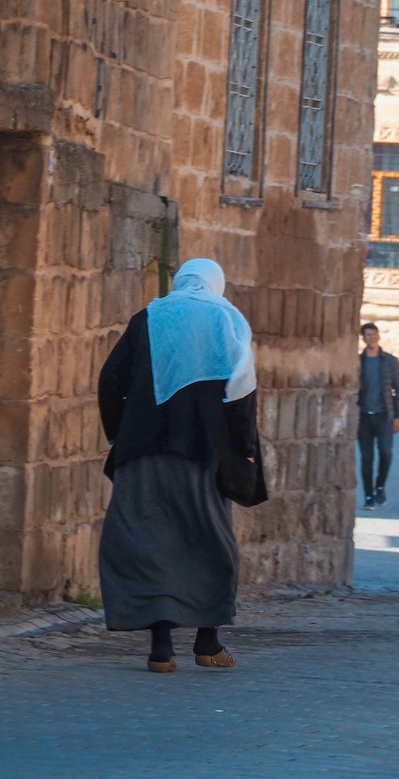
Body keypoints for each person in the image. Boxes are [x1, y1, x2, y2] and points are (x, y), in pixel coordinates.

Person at [97, 258, 266, 674]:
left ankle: (161, 649)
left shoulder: (149, 317)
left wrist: (122, 433)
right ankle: (208, 643)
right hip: (203, 457)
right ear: (214, 284)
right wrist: (243, 448)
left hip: (142, 456)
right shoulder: (227, 319)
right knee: (208, 543)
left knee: (148, 545)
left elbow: (110, 381)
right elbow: (241, 392)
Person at [357, 322, 399, 511]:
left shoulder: (390, 361)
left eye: (374, 334)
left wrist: (398, 417)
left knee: (386, 453)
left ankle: (380, 486)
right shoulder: (357, 362)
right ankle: (368, 494)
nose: (372, 337)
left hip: (385, 416)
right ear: (363, 338)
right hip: (364, 417)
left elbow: (398, 389)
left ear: (378, 336)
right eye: (368, 334)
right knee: (366, 458)